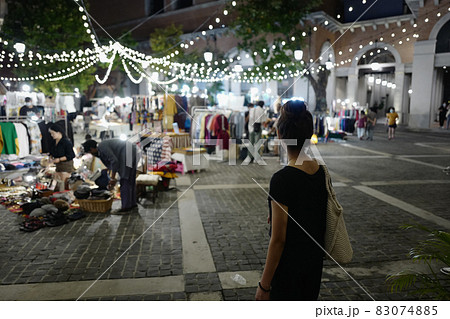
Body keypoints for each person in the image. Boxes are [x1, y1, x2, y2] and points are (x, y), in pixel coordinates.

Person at [255, 100, 327, 301]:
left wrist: (264, 285)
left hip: (289, 270)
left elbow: (278, 240)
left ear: (279, 136)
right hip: (313, 265)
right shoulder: (320, 172)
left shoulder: (282, 180)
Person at [82, 139, 138, 215]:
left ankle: (126, 207)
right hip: (133, 150)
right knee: (130, 180)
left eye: (90, 152)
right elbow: (111, 163)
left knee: (124, 180)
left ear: (92, 148)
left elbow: (114, 161)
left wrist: (112, 178)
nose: (91, 154)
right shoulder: (101, 150)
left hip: (127, 152)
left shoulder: (102, 147)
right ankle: (132, 204)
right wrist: (111, 175)